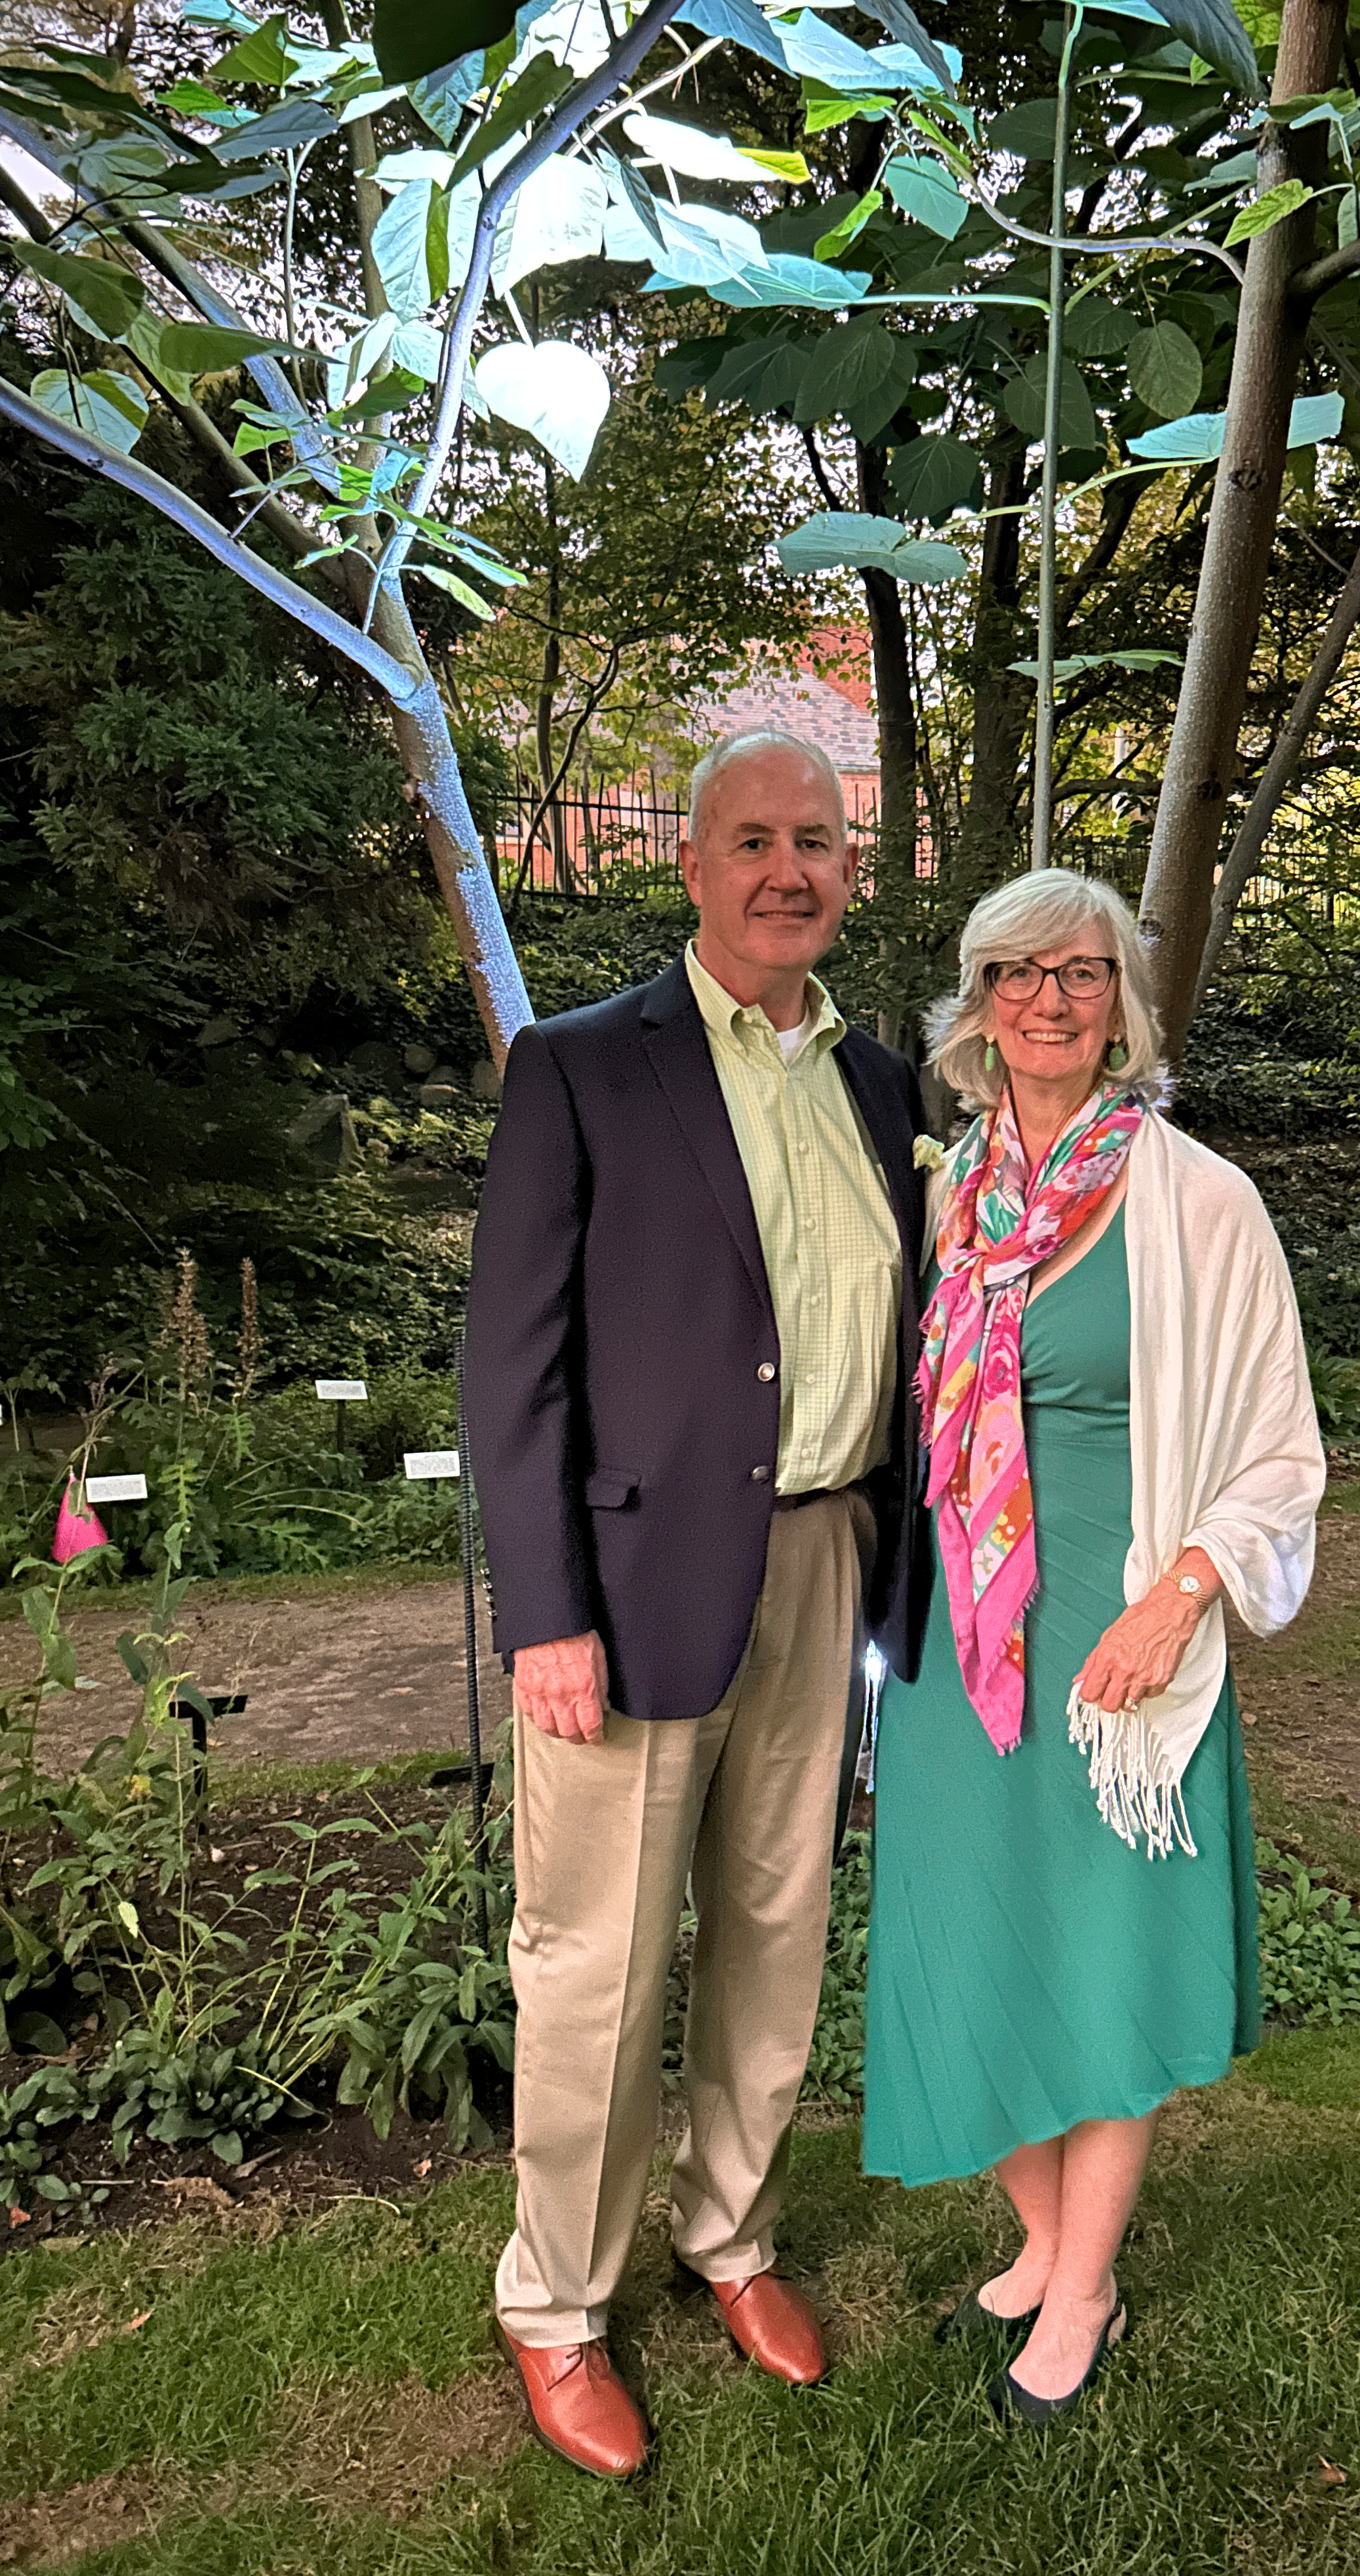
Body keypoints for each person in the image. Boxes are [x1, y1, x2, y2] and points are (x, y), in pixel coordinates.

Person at [464, 727, 929, 2478]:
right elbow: (512, 1370)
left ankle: (729, 2233)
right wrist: (545, 1613)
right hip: (629, 1585)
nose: (786, 869)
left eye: (816, 839)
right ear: (694, 865)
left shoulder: (887, 1091)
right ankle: (559, 2305)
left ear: (851, 868)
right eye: (753, 839)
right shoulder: (584, 1068)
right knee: (595, 1962)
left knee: (776, 1930)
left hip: (823, 1560)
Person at [862, 868, 1324, 2426]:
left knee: (1106, 1949)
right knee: (959, 1940)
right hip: (957, 1637)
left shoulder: (1201, 1203)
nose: (1049, 1000)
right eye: (1018, 972)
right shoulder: (945, 1199)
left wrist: (1180, 1595)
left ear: (1123, 1002)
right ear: (978, 1006)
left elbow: (1280, 1455)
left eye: (1082, 972)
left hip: (1118, 1629)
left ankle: (1081, 2290)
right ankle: (1056, 2244)